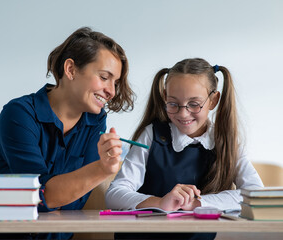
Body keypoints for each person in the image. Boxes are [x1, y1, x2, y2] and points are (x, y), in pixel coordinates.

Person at [0, 27, 135, 240]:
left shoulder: (96, 120)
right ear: (71, 69)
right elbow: (40, 196)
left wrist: (54, 198)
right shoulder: (19, 114)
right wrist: (101, 169)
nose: (111, 91)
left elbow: (73, 202)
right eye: (104, 77)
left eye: (116, 82)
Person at [105, 58, 264, 240]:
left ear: (213, 100)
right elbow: (114, 193)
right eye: (173, 103)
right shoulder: (151, 135)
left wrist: (197, 203)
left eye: (194, 104)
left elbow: (256, 194)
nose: (182, 113)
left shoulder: (226, 141)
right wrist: (161, 203)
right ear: (165, 96)